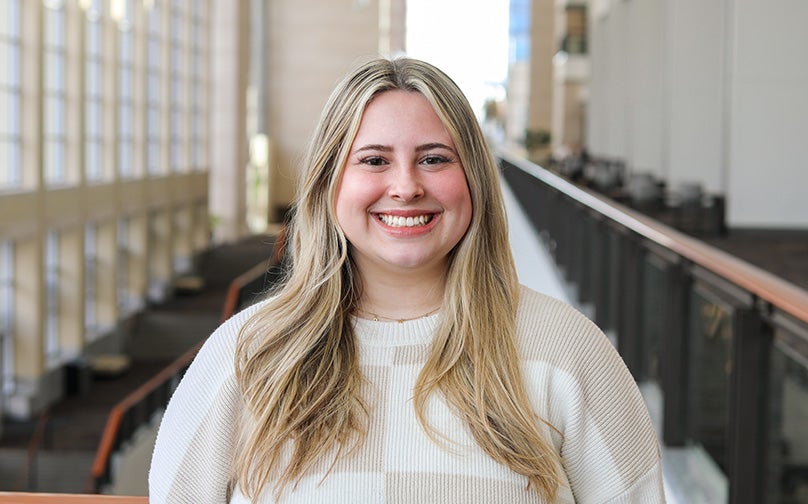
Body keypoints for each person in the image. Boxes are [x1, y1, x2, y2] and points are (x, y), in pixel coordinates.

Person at [149, 57, 665, 503]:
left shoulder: (567, 351)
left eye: (434, 159)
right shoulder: (245, 356)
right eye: (374, 160)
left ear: (475, 180)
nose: (405, 186)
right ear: (330, 184)